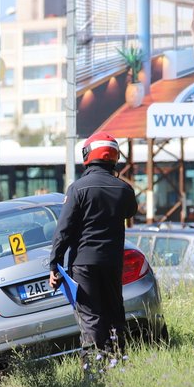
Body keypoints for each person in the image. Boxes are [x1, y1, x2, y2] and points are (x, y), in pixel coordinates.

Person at [48, 131, 137, 352]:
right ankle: (118, 361)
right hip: (113, 262)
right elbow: (130, 211)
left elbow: (64, 229)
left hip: (84, 264)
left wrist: (54, 264)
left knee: (91, 317)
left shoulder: (78, 188)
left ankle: (94, 370)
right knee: (115, 312)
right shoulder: (124, 189)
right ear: (115, 157)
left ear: (88, 155)